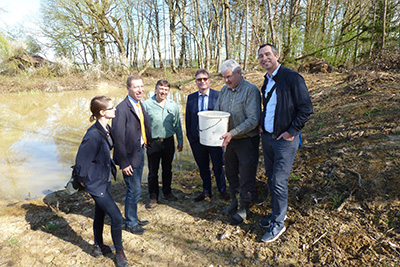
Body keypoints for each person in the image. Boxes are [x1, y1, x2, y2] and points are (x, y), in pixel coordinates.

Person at [257, 43, 313, 242]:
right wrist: (263, 124)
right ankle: (275, 213)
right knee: (271, 179)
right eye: (261, 56)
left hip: (285, 141)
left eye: (267, 54)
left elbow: (306, 109)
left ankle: (278, 224)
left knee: (279, 181)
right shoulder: (267, 80)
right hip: (269, 138)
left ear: (277, 55)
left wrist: (291, 132)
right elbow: (270, 107)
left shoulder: (292, 78)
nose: (264, 59)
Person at [74, 96, 129, 267]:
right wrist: (85, 182)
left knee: (100, 213)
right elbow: (81, 162)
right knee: (117, 218)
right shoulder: (93, 135)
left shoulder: (106, 129)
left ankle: (98, 246)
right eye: (112, 108)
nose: (115, 110)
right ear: (102, 112)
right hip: (96, 184)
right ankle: (119, 253)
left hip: (104, 180)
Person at [215, 59, 261, 225]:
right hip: (230, 140)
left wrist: (232, 133)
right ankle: (234, 200)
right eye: (223, 77)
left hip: (247, 140)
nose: (226, 81)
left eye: (229, 77)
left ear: (239, 73)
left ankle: (244, 207)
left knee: (246, 174)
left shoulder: (251, 91)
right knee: (231, 172)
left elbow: (254, 119)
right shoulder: (224, 91)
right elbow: (218, 113)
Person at [112, 74, 151, 235]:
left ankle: (133, 216)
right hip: (129, 157)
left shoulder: (139, 104)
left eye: (141, 86)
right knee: (133, 190)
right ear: (128, 89)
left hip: (139, 151)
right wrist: (124, 162)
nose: (140, 90)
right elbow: (118, 138)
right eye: (136, 87)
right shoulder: (121, 109)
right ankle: (131, 223)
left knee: (136, 189)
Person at [185, 69, 230, 202]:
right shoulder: (191, 97)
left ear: (209, 80)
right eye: (199, 79)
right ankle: (206, 191)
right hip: (197, 140)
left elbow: (224, 117)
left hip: (215, 140)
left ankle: (222, 190)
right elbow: (188, 118)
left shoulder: (219, 95)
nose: (202, 81)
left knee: (218, 167)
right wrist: (190, 137)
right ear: (196, 82)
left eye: (205, 79)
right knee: (203, 167)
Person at [142, 79, 183, 208]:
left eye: (166, 90)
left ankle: (167, 192)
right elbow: (141, 125)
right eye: (161, 89)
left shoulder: (173, 105)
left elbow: (177, 125)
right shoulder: (146, 105)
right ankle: (153, 197)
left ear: (168, 91)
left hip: (168, 141)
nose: (163, 92)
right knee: (153, 171)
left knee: (167, 169)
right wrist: (142, 140)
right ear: (156, 89)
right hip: (153, 143)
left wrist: (180, 141)